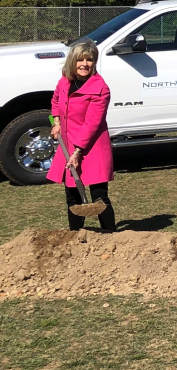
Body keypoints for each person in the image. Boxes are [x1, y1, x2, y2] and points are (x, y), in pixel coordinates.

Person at [49, 41, 116, 231]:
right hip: (68, 145)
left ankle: (111, 236)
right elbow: (55, 100)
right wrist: (57, 122)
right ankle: (75, 236)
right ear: (73, 61)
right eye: (80, 59)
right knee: (72, 194)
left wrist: (78, 151)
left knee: (99, 195)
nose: (85, 64)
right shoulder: (65, 81)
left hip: (93, 147)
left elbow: (92, 123)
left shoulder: (101, 88)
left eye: (90, 59)